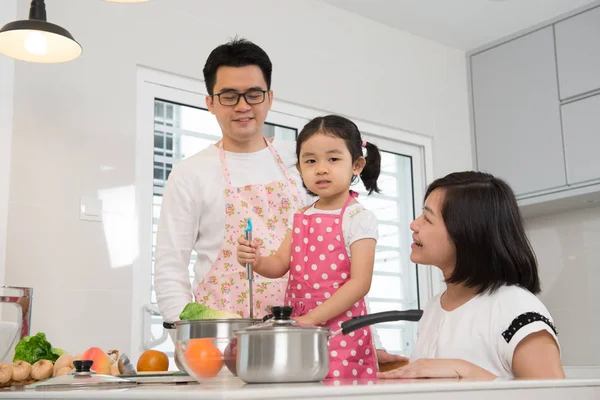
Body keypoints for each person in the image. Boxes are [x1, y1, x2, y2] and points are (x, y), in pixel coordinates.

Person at [154, 38, 305, 322]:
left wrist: (370, 338)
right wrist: (187, 339)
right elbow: (170, 269)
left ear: (270, 98)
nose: (242, 105)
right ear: (210, 103)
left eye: (253, 94)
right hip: (222, 341)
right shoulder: (190, 173)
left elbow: (339, 248)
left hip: (303, 333)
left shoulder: (301, 160)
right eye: (229, 96)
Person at [377, 171, 565, 380]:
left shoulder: (517, 309)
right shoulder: (433, 308)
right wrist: (398, 369)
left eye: (428, 219)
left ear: (467, 234)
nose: (414, 224)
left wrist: (465, 370)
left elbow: (553, 393)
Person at [237, 115, 384, 380]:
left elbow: (360, 283)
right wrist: (256, 260)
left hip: (342, 329)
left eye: (333, 159)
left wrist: (313, 318)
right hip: (302, 329)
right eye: (311, 160)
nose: (321, 169)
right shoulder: (301, 215)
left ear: (357, 165)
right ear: (300, 168)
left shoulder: (359, 218)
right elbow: (280, 264)